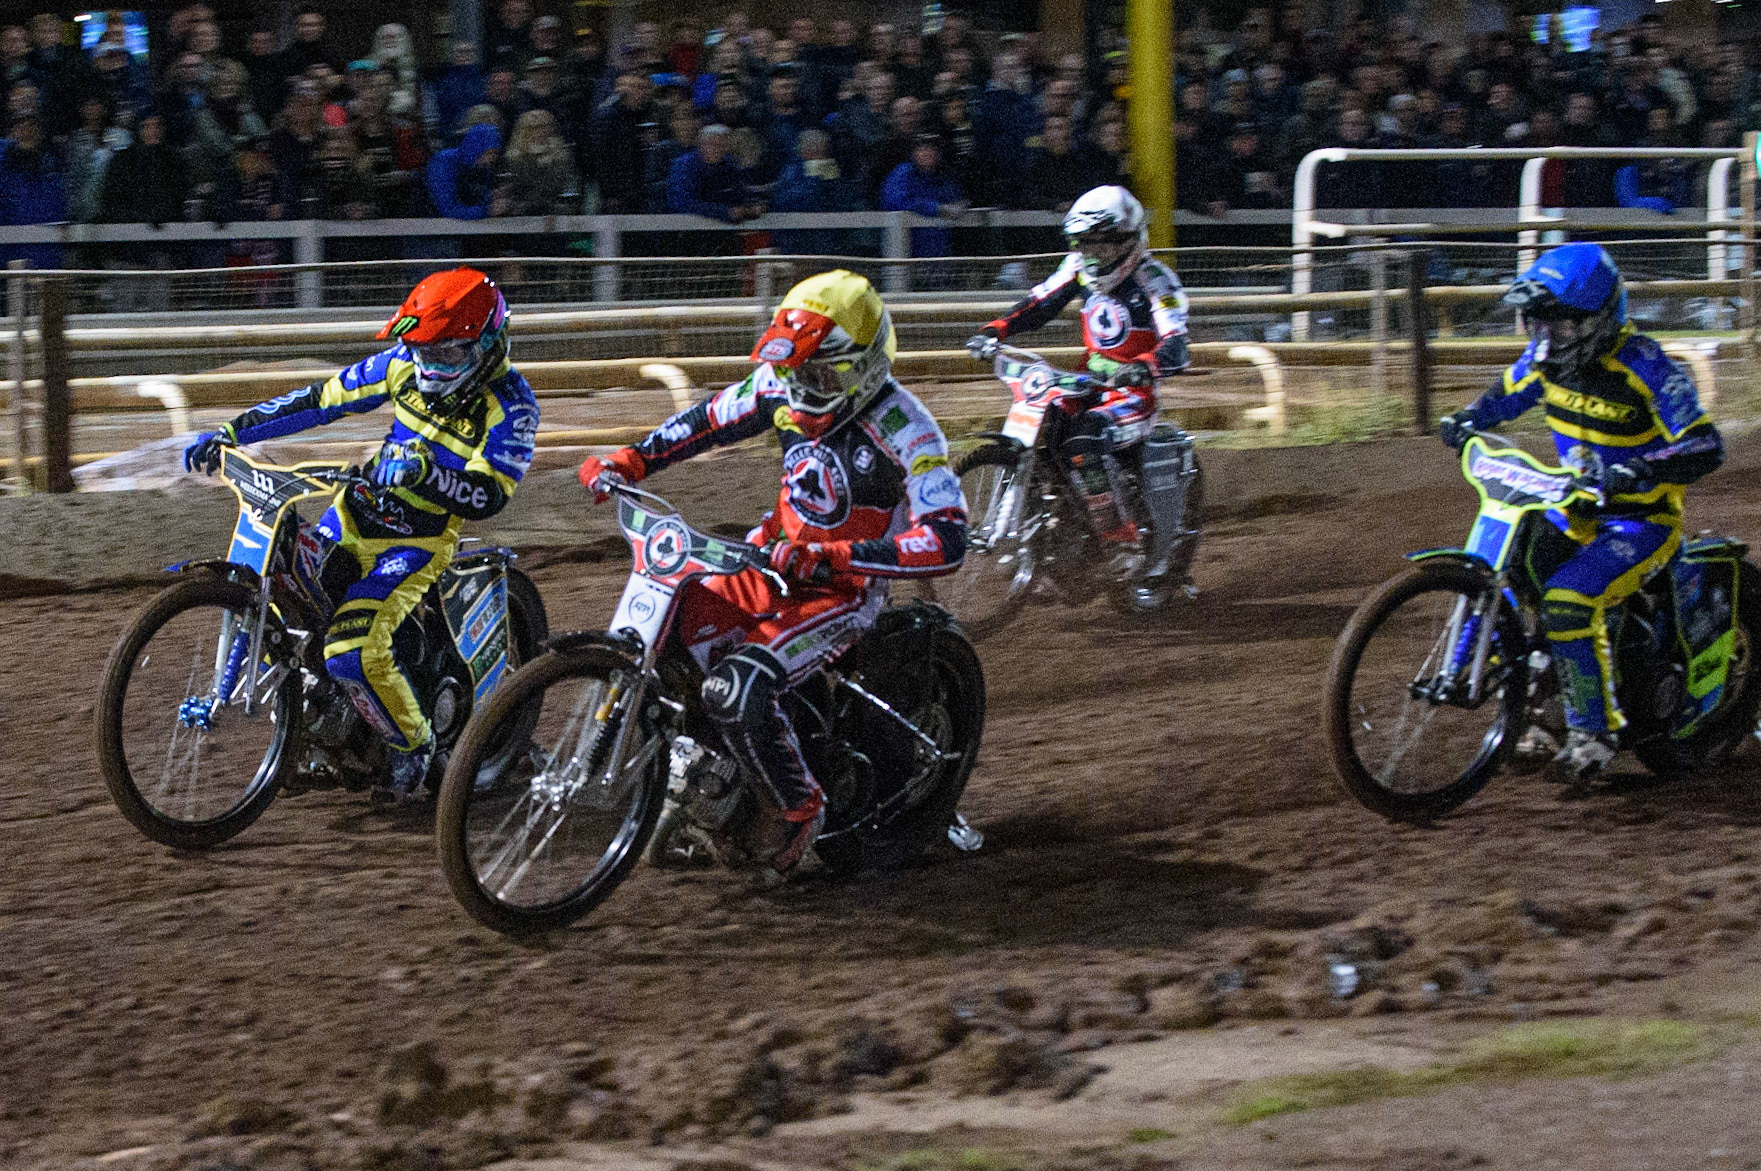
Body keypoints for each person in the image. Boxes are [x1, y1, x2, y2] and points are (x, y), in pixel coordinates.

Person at [577, 270, 967, 873]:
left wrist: (836, 556)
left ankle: (795, 810)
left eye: (819, 375)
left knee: (737, 687)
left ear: (863, 367)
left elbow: (946, 538)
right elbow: (708, 420)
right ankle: (707, 778)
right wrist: (631, 460)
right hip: (768, 560)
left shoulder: (907, 429)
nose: (802, 389)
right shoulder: (778, 386)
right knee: (673, 635)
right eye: (794, 371)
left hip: (841, 591)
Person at [181, 270, 539, 796]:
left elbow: (490, 496)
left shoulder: (513, 405)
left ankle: (414, 745)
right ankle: (308, 726)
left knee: (351, 647)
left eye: (447, 355)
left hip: (416, 543)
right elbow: (319, 400)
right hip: (351, 518)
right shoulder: (400, 366)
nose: (431, 369)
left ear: (488, 345)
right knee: (283, 602)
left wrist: (425, 475)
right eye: (423, 352)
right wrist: (233, 430)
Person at [1438, 243, 1724, 781]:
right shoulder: (1544, 361)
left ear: (1599, 318)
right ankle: (1538, 701)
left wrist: (1642, 469)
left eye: (1562, 324)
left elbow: (1706, 444)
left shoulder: (1646, 366)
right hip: (1574, 510)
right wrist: (1467, 418)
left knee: (1569, 601)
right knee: (1515, 569)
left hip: (1642, 522)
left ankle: (1594, 735)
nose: (1548, 337)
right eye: (1538, 323)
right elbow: (1503, 397)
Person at [967, 185, 1189, 556]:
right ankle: (1052, 518)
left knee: (1084, 439)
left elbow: (1176, 343)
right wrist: (995, 330)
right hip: (1087, 382)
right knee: (1045, 423)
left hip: (1132, 393)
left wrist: (1145, 366)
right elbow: (1040, 303)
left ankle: (1118, 537)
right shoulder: (1078, 268)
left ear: (1128, 241)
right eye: (1085, 245)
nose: (1093, 255)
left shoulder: (1156, 280)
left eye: (1102, 246)